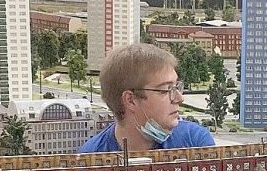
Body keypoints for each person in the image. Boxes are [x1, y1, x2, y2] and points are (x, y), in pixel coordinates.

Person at [78, 43, 214, 153]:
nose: (179, 98)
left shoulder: (195, 142)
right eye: (166, 90)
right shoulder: (90, 158)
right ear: (130, 100)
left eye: (176, 86)